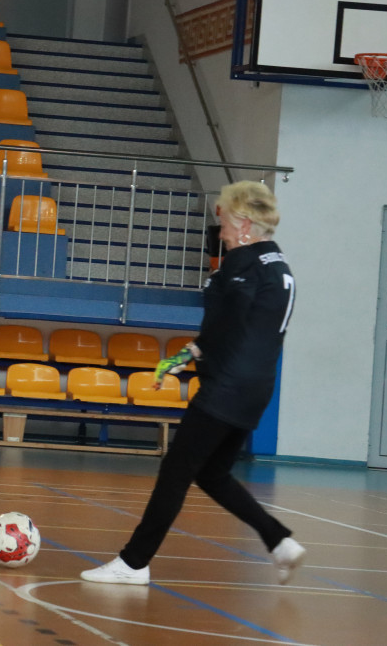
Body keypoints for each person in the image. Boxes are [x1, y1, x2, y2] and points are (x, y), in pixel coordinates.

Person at [80, 181, 306, 587]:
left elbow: (218, 328)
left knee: (176, 470)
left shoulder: (241, 263)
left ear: (243, 224)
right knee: (213, 473)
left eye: (223, 221)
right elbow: (243, 327)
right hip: (257, 391)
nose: (219, 232)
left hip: (226, 388)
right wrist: (188, 356)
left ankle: (133, 562)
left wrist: (184, 356)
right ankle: (278, 540)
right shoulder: (280, 266)